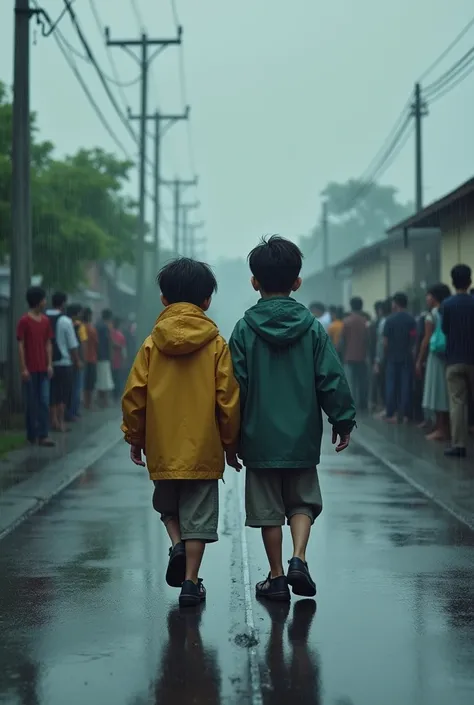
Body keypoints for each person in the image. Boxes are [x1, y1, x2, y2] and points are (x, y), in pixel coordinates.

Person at [229, 236, 356, 602]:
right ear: (297, 282)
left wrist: (229, 438)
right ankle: (299, 557)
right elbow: (330, 377)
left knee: (268, 511)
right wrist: (342, 420)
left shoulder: (243, 330)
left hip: (259, 436)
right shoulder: (313, 328)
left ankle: (277, 576)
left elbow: (234, 387)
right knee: (302, 501)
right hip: (301, 434)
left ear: (255, 281)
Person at [122, 258, 240, 607]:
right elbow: (227, 398)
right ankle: (191, 581)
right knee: (199, 518)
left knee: (168, 505)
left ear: (163, 300)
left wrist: (135, 435)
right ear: (207, 301)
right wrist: (230, 443)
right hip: (203, 447)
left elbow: (135, 394)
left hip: (162, 443)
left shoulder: (151, 344)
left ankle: (175, 543)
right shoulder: (216, 344)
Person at [442, 264, 474, 458]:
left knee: (457, 403)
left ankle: (459, 444)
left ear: (453, 283)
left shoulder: (447, 304)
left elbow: (445, 330)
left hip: (454, 359)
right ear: (470, 281)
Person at [16, 286, 55, 447]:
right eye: (44, 299)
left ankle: (43, 434)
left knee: (44, 401)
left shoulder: (46, 321)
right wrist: (23, 367)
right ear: (37, 301)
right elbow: (20, 345)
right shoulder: (24, 321)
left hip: (43, 368)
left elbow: (48, 343)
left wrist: (50, 363)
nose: (45, 302)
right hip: (30, 369)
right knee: (32, 403)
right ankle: (32, 434)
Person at [416, 283, 451, 441]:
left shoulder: (432, 314)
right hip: (448, 354)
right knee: (445, 390)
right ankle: (444, 426)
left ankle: (440, 428)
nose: (427, 298)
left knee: (436, 390)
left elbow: (426, 339)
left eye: (429, 295)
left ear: (435, 296)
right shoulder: (448, 310)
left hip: (435, 355)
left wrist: (419, 359)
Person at [46, 292, 80, 432]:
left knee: (52, 393)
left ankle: (53, 421)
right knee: (63, 394)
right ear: (63, 303)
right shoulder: (65, 321)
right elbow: (72, 345)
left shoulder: (44, 317)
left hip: (48, 363)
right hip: (64, 362)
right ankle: (61, 422)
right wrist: (77, 361)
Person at [382, 292, 416, 424]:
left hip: (392, 357)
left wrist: (386, 355)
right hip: (406, 357)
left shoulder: (389, 320)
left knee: (391, 385)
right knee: (405, 385)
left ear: (395, 303)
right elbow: (413, 338)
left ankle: (391, 413)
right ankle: (405, 415)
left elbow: (385, 342)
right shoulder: (411, 320)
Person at [340, 296, 369, 411]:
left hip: (349, 356)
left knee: (350, 382)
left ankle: (351, 405)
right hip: (362, 356)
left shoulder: (346, 321)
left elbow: (342, 341)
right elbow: (368, 340)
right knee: (362, 383)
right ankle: (363, 404)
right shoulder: (365, 321)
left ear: (351, 306)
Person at [66, 303, 87, 421]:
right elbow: (83, 344)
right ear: (78, 313)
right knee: (77, 387)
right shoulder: (80, 326)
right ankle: (73, 412)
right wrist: (82, 359)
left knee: (69, 388)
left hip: (68, 360)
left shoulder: (66, 323)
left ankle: (68, 412)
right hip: (78, 359)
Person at [372, 299, 391, 415]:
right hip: (393, 357)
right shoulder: (391, 320)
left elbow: (381, 343)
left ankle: (386, 408)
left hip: (384, 358)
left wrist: (377, 360)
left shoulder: (383, 322)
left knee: (383, 383)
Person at [95, 309, 114, 407]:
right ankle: (104, 402)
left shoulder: (97, 325)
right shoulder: (105, 327)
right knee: (105, 379)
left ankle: (100, 400)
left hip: (98, 355)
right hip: (104, 355)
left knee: (100, 379)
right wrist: (111, 355)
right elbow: (109, 341)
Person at [82, 307, 98, 410]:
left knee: (85, 382)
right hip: (91, 358)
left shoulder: (82, 327)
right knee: (90, 383)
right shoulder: (91, 329)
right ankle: (89, 403)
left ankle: (85, 403)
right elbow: (96, 343)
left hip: (84, 358)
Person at [111, 317, 127, 402]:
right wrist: (124, 360)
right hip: (117, 361)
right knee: (117, 378)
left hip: (112, 360)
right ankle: (116, 396)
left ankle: (115, 396)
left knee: (114, 378)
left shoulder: (111, 333)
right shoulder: (120, 335)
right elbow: (123, 350)